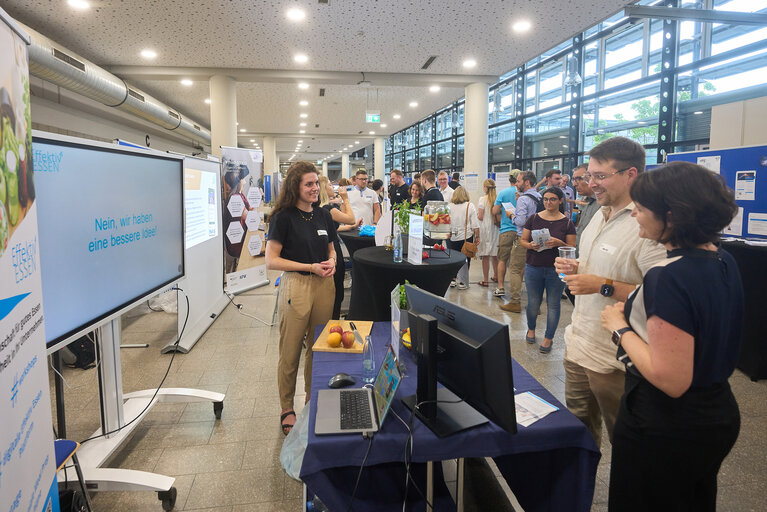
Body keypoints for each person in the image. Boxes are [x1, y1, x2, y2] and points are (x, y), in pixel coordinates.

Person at [600, 161, 742, 511]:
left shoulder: (669, 275)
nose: (635, 216)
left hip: (666, 423)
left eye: (642, 209)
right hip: (716, 411)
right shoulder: (723, 260)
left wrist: (618, 327)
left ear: (673, 216)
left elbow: (671, 378)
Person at [554, 136, 665, 448]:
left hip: (615, 362)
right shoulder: (596, 214)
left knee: (630, 446)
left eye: (600, 176)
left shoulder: (648, 225)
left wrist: (602, 286)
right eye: (590, 176)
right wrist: (575, 270)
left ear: (631, 174)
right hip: (578, 346)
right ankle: (578, 495)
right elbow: (595, 269)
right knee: (578, 440)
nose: (591, 184)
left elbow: (662, 296)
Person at [265, 162, 337, 435]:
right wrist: (309, 267)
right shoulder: (283, 217)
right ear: (295, 186)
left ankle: (311, 396)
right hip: (297, 286)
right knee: (291, 349)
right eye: (308, 184)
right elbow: (272, 260)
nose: (315, 188)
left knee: (319, 348)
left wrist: (332, 262)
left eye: (316, 183)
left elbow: (332, 249)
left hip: (324, 285)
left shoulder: (323, 215)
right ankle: (287, 407)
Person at [518, 187, 576, 352]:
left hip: (556, 270)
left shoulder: (567, 223)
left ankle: (548, 338)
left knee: (553, 304)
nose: (548, 202)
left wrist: (559, 243)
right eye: (545, 199)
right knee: (533, 302)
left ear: (560, 201)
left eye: (552, 199)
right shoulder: (534, 218)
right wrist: (530, 245)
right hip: (533, 266)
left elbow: (571, 248)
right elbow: (523, 240)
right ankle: (531, 329)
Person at [318, 175, 360, 320]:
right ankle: (333, 321)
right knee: (336, 289)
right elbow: (350, 217)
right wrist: (346, 199)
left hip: (323, 249)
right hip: (332, 250)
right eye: (329, 185)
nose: (332, 187)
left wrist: (351, 227)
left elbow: (333, 228)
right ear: (323, 189)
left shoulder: (319, 208)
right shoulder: (328, 209)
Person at [492, 169, 526, 312]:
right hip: (522, 231)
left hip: (506, 229)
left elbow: (494, 211)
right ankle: (517, 288)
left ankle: (500, 287)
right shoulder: (524, 194)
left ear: (509, 179)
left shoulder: (503, 193)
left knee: (502, 260)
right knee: (518, 264)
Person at [448, 186, 480, 289]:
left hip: (452, 237)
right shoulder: (470, 206)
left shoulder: (449, 206)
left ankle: (452, 279)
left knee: (453, 259)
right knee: (465, 259)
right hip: (466, 237)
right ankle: (462, 282)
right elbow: (475, 224)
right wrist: (477, 237)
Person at [572, 164, 600, 254]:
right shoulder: (588, 203)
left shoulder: (604, 205)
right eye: (574, 179)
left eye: (579, 179)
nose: (574, 184)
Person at [477, 178, 500, 287]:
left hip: (485, 230)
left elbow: (480, 216)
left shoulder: (482, 199)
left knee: (485, 256)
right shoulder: (497, 199)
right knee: (495, 255)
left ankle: (485, 280)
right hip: (496, 230)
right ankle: (496, 276)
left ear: (485, 187)